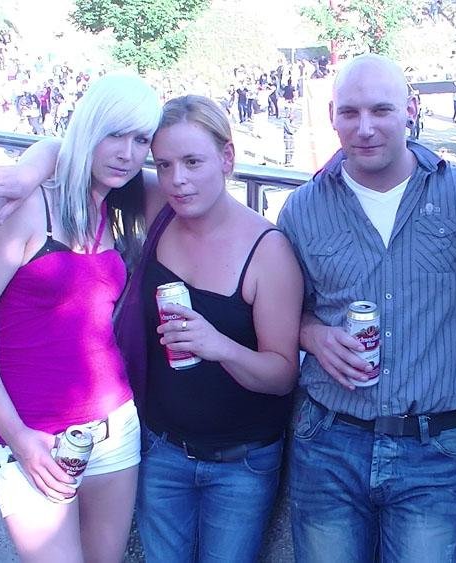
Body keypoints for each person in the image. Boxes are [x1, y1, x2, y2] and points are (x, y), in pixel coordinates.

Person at [276, 53, 456, 562]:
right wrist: (311, 334)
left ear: (410, 109)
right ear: (332, 115)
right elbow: (281, 308)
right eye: (350, 112)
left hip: (435, 450)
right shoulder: (302, 208)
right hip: (329, 441)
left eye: (381, 110)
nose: (365, 128)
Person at [0, 73, 161, 563]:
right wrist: (18, 438)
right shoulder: (27, 207)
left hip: (115, 428)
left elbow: (196, 183)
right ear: (89, 127)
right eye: (114, 133)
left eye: (141, 140)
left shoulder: (114, 203)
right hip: (34, 435)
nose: (127, 153)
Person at [116, 95, 303, 562]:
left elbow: (282, 375)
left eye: (193, 161)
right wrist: (27, 171)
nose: (178, 179)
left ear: (227, 158)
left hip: (241, 463)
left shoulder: (268, 250)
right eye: (164, 164)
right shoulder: (161, 209)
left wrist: (219, 346)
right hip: (161, 448)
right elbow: (86, 163)